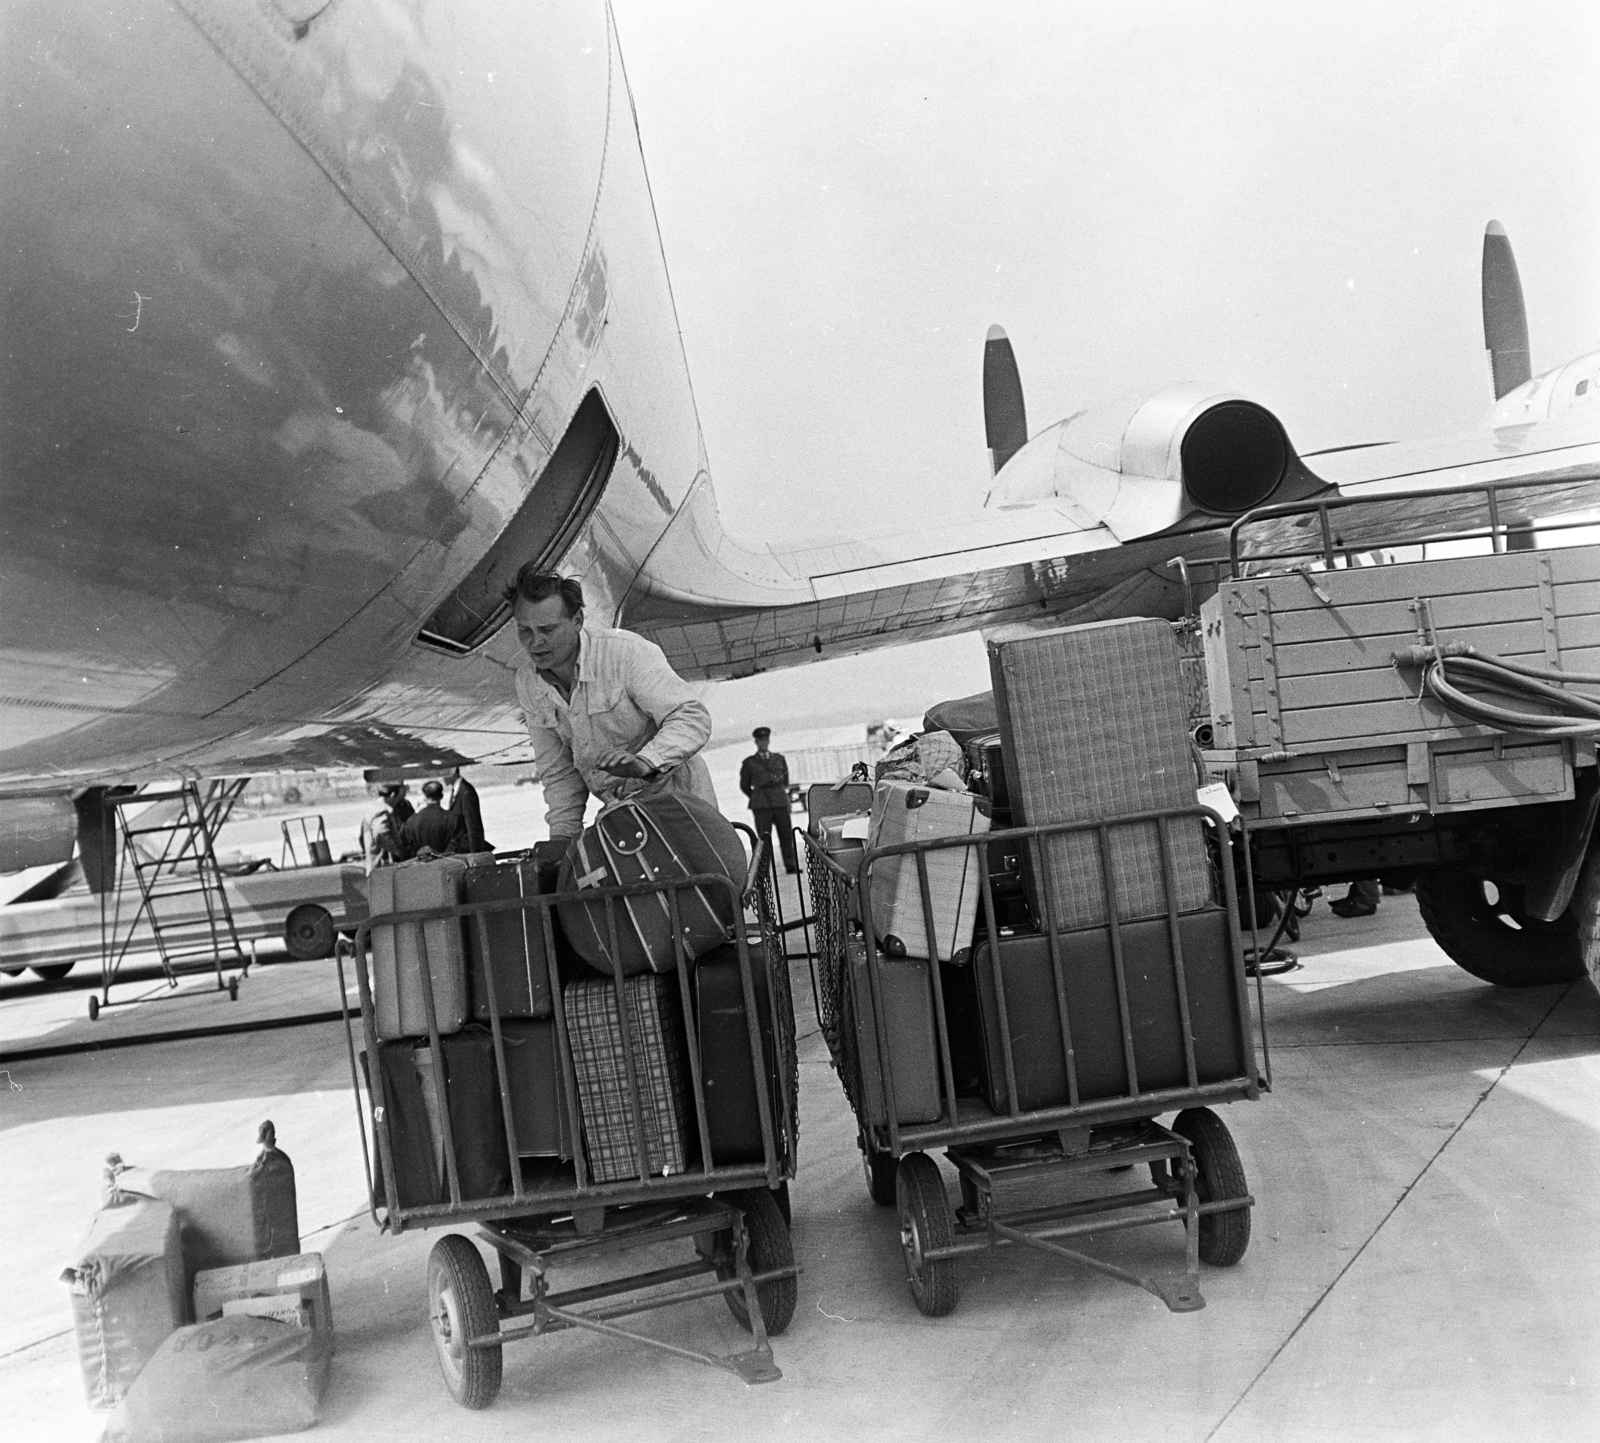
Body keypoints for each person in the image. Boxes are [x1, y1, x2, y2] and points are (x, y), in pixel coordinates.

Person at [507, 567, 717, 843]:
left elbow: (692, 717)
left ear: (577, 620)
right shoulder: (528, 683)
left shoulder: (624, 652)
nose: (535, 642)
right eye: (525, 631)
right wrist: (561, 839)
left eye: (547, 629)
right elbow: (558, 771)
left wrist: (646, 762)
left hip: (680, 799)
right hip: (620, 813)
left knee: (701, 882)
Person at [740, 726, 799, 874]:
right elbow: (745, 785)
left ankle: (791, 865)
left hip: (780, 802)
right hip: (761, 805)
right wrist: (757, 796)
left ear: (769, 740)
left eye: (765, 740)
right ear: (756, 742)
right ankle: (764, 870)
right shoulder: (749, 763)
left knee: (786, 835)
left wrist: (779, 793)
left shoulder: (779, 758)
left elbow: (785, 780)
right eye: (760, 740)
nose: (763, 743)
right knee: (764, 838)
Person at [399, 779, 457, 859]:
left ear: (424, 797)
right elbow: (457, 844)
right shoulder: (453, 819)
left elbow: (405, 847)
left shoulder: (411, 821)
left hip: (421, 867)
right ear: (442, 796)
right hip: (447, 865)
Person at [359, 783, 405, 872]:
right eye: (397, 797)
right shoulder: (382, 811)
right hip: (383, 866)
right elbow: (380, 833)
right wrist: (398, 852)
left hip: (374, 864)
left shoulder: (371, 809)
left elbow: (361, 838)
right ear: (392, 795)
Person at [446, 769, 491, 854]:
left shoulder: (466, 791)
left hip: (466, 849)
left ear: (452, 772)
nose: (440, 778)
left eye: (442, 773)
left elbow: (473, 826)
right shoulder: (457, 790)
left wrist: (475, 853)